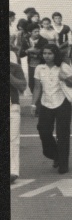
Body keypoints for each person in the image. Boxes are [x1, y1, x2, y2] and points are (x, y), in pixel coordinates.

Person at [32, 42, 72, 174]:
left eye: (50, 53)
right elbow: (37, 87)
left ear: (55, 54)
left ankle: (63, 164)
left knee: (62, 134)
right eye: (45, 53)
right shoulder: (39, 68)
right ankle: (55, 155)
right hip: (46, 103)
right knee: (43, 131)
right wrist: (33, 104)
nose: (47, 56)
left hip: (62, 102)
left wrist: (64, 78)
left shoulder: (63, 66)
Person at [10, 47, 28, 184]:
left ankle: (13, 172)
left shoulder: (15, 67)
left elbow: (23, 86)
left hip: (12, 107)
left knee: (13, 140)